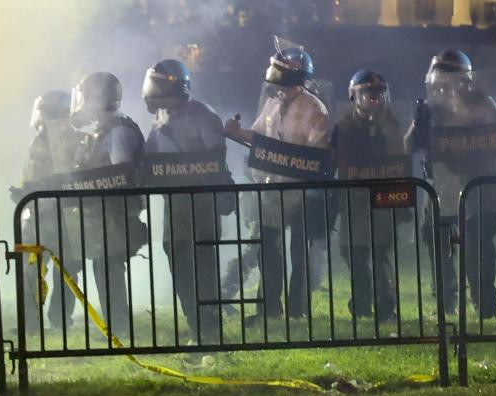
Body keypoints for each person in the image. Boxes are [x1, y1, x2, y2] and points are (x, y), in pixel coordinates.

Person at [224, 45, 330, 326]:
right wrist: (236, 133)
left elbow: (315, 155)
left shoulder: (315, 109)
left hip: (300, 191)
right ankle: (269, 308)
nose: (278, 87)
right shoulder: (271, 103)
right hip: (271, 189)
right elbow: (258, 137)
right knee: (268, 249)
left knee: (299, 252)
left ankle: (298, 309)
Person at [404, 50, 496, 318]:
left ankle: (484, 303)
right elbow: (408, 147)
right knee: (439, 246)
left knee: (479, 248)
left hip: (477, 186)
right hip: (439, 187)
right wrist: (418, 122)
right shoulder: (429, 110)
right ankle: (445, 303)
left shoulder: (483, 104)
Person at [142, 59, 231, 343]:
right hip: (175, 208)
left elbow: (216, 158)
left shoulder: (204, 116)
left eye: (158, 84)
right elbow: (150, 156)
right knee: (180, 269)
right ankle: (195, 325)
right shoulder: (160, 119)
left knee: (204, 270)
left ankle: (211, 330)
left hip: (201, 206)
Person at [67, 71, 147, 340]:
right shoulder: (106, 129)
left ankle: (119, 326)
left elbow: (118, 175)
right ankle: (115, 323)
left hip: (114, 214)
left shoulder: (119, 131)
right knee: (103, 267)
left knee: (109, 268)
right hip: (105, 214)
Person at [330, 69, 408, 324]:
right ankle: (362, 305)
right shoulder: (343, 128)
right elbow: (332, 160)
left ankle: (386, 309)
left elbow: (400, 160)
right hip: (354, 201)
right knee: (353, 253)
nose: (373, 98)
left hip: (382, 201)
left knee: (381, 254)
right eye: (367, 93)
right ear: (355, 96)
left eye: (377, 93)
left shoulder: (392, 125)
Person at [14, 91, 83, 335]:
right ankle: (31, 323)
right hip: (36, 216)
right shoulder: (38, 141)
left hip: (65, 217)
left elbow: (70, 179)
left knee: (66, 271)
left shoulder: (74, 141)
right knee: (29, 270)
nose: (40, 119)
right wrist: (23, 192)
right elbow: (29, 173)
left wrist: (36, 190)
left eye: (45, 113)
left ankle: (61, 319)